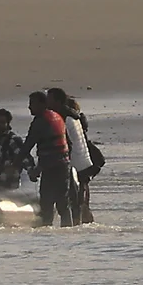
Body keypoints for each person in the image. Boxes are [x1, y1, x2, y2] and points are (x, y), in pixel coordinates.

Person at [14, 91, 74, 227]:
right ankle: (67, 231)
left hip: (51, 167)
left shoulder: (40, 121)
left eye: (32, 104)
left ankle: (46, 233)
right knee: (63, 203)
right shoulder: (57, 117)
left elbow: (28, 145)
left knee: (46, 203)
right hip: (64, 165)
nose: (29, 108)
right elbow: (68, 145)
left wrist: (16, 165)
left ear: (42, 104)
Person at [48, 88, 95, 224]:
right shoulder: (74, 116)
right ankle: (80, 220)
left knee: (72, 196)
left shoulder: (62, 118)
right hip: (83, 158)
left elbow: (67, 143)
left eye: (49, 99)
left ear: (57, 101)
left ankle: (75, 222)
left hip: (73, 160)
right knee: (80, 192)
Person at [0, 109, 34, 188]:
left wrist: (31, 171)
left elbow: (24, 157)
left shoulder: (12, 140)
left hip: (7, 186)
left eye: (2, 122)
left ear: (8, 123)